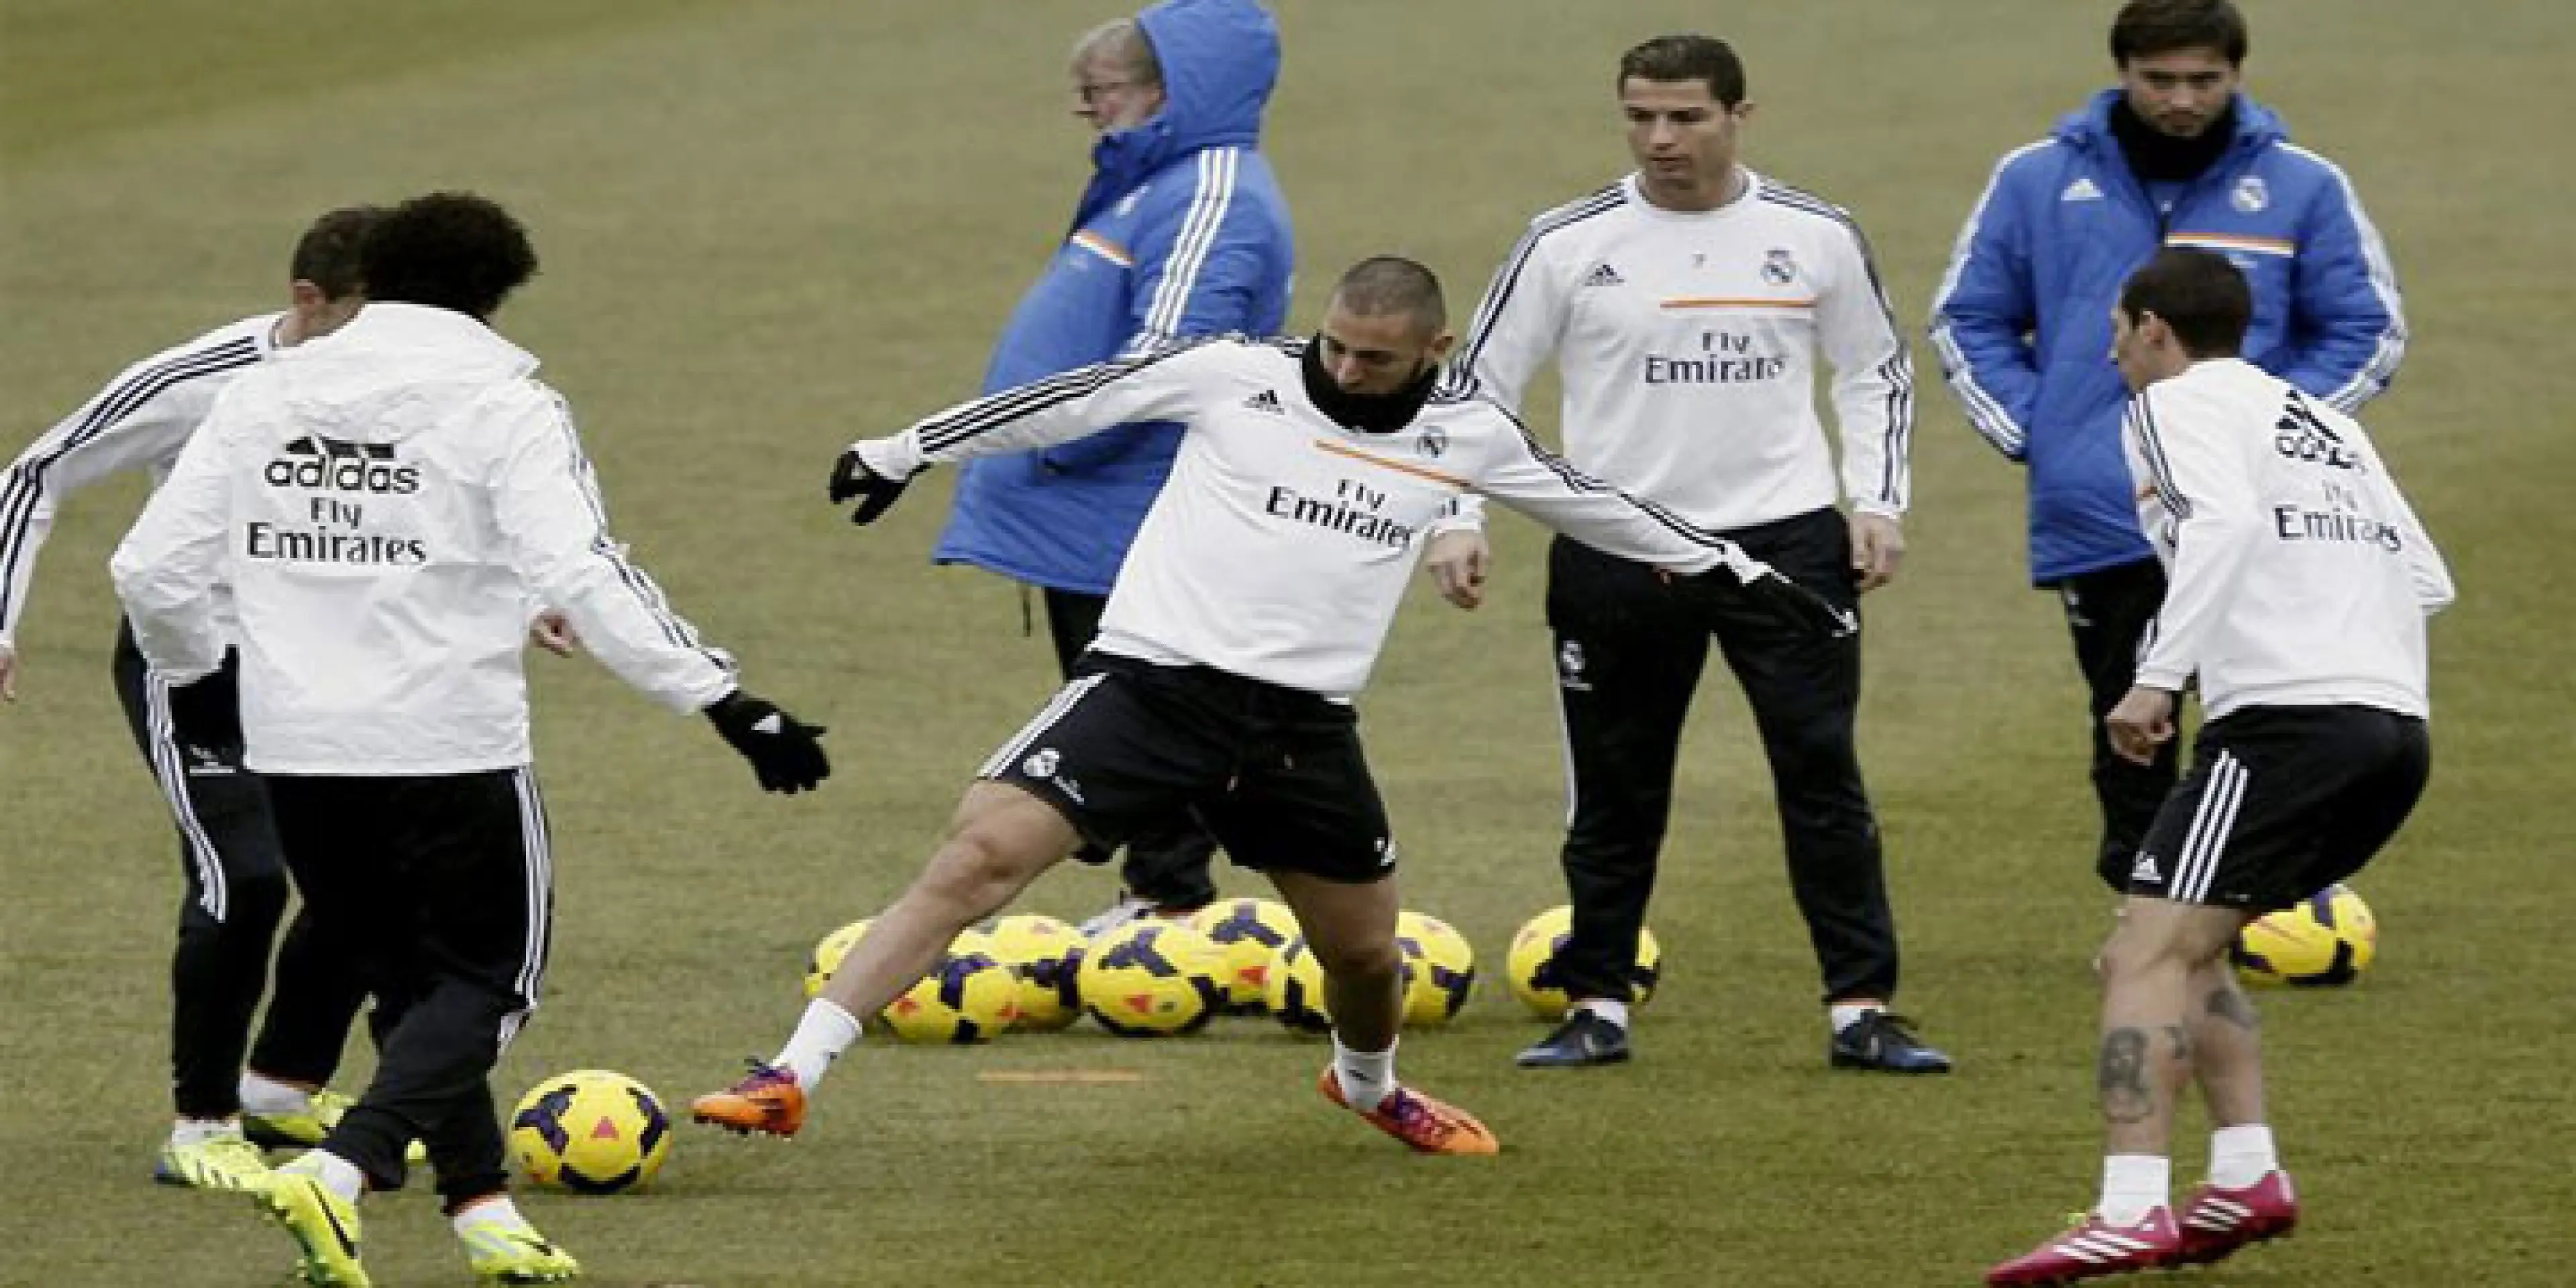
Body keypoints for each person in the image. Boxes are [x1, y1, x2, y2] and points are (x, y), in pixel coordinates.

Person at [689, 256, 1854, 1156]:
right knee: (977, 859)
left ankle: (1368, 1085)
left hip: (1300, 730)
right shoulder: (1232, 374)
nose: (1346, 370)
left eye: (1376, 358)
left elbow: (1597, 505)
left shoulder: (1468, 435)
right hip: (1150, 687)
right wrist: (903, 449)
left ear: (1436, 350)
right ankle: (791, 1074)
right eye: (1336, 345)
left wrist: (1745, 576)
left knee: (1365, 957)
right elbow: (1074, 400)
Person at [112, 191, 831, 1287]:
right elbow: (582, 570)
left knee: (406, 983)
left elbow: (150, 569)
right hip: (449, 746)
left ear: (375, 282)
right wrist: (725, 701)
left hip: (300, 751)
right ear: (496, 292)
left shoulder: (263, 392)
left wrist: (195, 676)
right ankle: (340, 1171)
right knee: (492, 982)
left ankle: (482, 1209)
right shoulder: (505, 403)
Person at [1436, 33, 1945, 1073]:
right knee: (1617, 788)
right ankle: (1596, 1006)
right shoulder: (1566, 243)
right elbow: (1475, 390)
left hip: (1786, 548)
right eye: (1640, 117)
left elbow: (1873, 370)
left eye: (1685, 117)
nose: (1661, 138)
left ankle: (1861, 1011)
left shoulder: (1813, 234)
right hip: (1618, 544)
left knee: (1821, 775)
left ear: (1738, 117)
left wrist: (1878, 503)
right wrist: (1456, 516)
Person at [1986, 248, 2446, 1284]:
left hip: (2286, 725)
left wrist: (2158, 678)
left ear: (2154, 328)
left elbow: (2226, 525)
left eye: (2117, 330)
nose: (2112, 350)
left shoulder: (2172, 403)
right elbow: (2426, 577)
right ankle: (2246, 1177)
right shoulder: (2324, 420)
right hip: (2392, 727)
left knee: (2139, 959)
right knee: (2191, 950)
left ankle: (2130, 1208)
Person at [0, 206, 439, 1190]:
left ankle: (281, 1088)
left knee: (374, 874)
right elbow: (34, 475)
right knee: (245, 878)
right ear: (308, 301)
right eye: (368, 317)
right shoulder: (200, 378)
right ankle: (200, 1126)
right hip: (194, 663)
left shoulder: (405, 379)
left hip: (324, 666)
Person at [1928, 0, 2406, 894]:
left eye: (2204, 80)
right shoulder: (2035, 180)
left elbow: (2365, 330)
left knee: (2269, 713)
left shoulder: (2303, 186)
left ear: (2238, 75)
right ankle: (2145, 906)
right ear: (2121, 74)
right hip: (2104, 510)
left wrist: (2272, 440)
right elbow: (1970, 319)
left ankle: (2259, 900)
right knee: (2129, 726)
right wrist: (2044, 433)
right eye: (2160, 80)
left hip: (2261, 519)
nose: (2182, 100)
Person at [928, 0, 1293, 935]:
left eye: (1103, 91)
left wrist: (1060, 442)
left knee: (1145, 709)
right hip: (1089, 504)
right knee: (1128, 702)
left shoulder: (1211, 193)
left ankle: (1170, 898)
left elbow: (1165, 361)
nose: (1086, 110)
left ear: (1173, 92)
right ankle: (1162, 890)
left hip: (1127, 504)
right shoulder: (1159, 180)